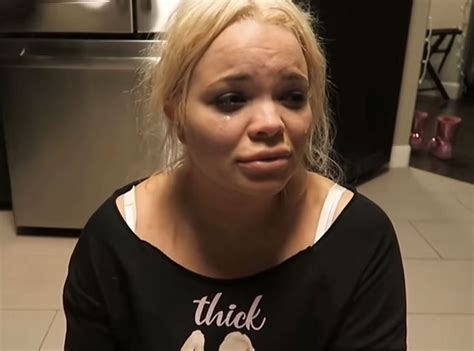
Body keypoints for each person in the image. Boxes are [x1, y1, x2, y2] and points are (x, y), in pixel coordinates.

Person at [63, 0, 407, 350]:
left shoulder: (360, 240)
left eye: (292, 96)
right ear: (177, 113)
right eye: (231, 99)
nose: (272, 123)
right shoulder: (114, 241)